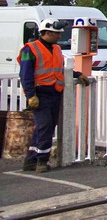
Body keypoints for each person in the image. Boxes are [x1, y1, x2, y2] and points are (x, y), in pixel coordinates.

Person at [18, 18, 89, 173]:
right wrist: (31, 95)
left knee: (46, 127)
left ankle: (31, 160)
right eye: (57, 34)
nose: (60, 37)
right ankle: (42, 162)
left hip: (54, 93)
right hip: (40, 94)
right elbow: (25, 74)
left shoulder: (56, 49)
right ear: (48, 33)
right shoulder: (29, 49)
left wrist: (76, 73)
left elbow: (59, 69)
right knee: (45, 127)